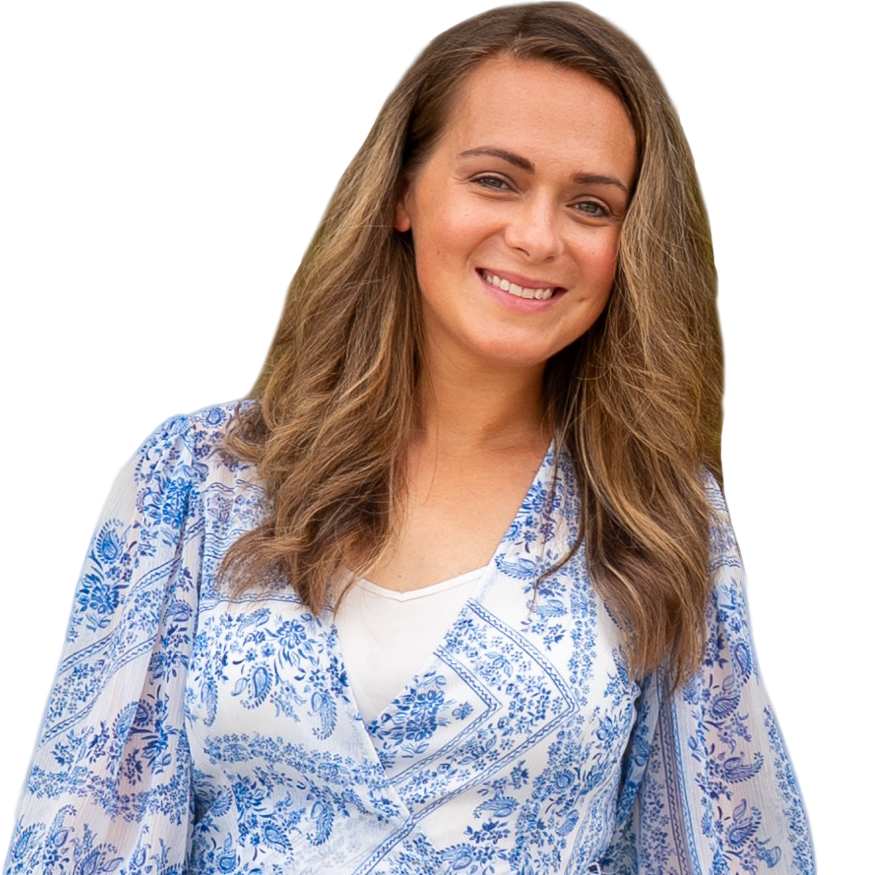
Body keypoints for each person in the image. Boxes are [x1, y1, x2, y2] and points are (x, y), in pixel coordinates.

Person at [4, 1, 818, 872]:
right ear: (402, 191)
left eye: (590, 204)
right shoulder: (194, 480)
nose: (537, 236)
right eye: (496, 180)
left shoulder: (659, 514)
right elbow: (84, 834)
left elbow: (734, 849)